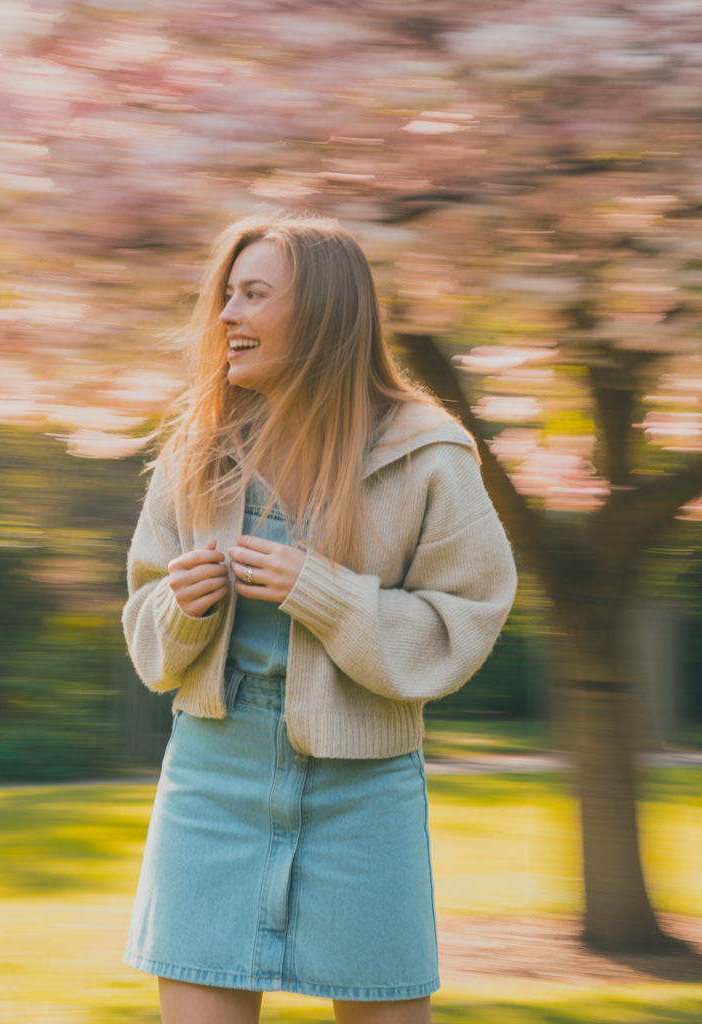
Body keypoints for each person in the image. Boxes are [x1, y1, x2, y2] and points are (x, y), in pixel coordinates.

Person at [121, 213, 517, 1024]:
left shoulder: (426, 455)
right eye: (227, 295)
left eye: (254, 294)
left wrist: (324, 593)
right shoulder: (195, 451)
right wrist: (183, 606)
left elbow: (464, 620)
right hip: (211, 780)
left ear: (326, 315)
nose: (226, 315)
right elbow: (148, 637)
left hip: (364, 790)